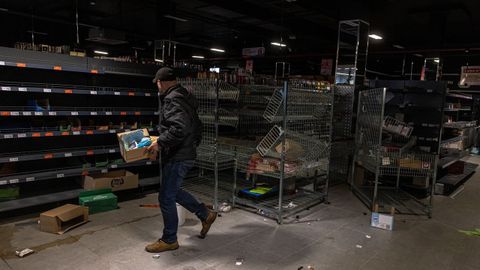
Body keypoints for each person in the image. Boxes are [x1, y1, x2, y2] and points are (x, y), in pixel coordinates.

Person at [145, 67, 217, 253]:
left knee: (166, 196)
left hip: (178, 155)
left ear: (161, 82)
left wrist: (159, 143)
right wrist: (190, 145)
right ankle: (205, 214)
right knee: (173, 191)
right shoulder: (185, 96)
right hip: (185, 152)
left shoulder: (172, 98)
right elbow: (196, 126)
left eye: (158, 83)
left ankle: (169, 239)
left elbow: (179, 128)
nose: (158, 87)